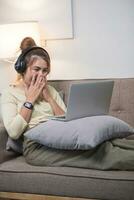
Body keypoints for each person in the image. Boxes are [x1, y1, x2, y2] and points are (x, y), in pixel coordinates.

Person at [1, 38, 134, 170]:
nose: (41, 75)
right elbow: (13, 132)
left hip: (62, 136)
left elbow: (66, 120)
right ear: (23, 68)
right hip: (36, 146)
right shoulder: (10, 93)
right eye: (36, 69)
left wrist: (50, 98)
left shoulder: (50, 90)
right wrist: (29, 100)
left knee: (110, 144)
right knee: (101, 155)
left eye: (45, 71)